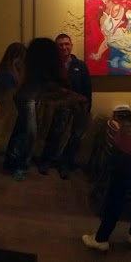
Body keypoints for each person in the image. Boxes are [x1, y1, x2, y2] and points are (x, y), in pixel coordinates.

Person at [5, 38, 79, 181]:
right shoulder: (30, 66)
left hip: (30, 98)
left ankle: (11, 161)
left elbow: (52, 87)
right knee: (30, 132)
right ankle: (21, 165)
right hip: (25, 98)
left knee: (21, 130)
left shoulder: (40, 68)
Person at [82, 114, 131, 253]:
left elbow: (117, 142)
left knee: (115, 197)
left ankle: (101, 239)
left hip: (124, 157)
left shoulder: (122, 132)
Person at [37, 34, 92, 179]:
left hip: (79, 106)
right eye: (60, 45)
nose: (64, 47)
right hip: (61, 106)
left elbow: (87, 87)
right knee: (56, 133)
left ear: (71, 45)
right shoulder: (52, 66)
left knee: (76, 137)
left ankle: (65, 164)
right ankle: (46, 161)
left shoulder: (80, 65)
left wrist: (87, 107)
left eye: (66, 44)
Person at [0, 43, 27, 154]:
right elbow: (10, 93)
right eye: (21, 58)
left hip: (8, 111)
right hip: (6, 110)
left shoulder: (11, 71)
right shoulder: (6, 73)